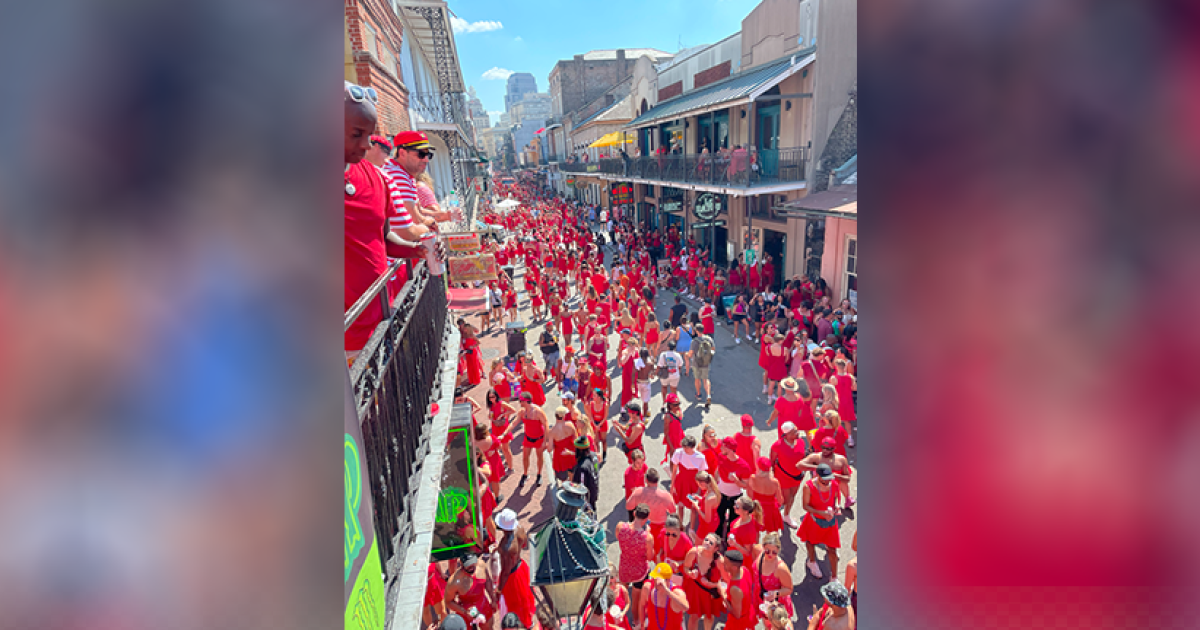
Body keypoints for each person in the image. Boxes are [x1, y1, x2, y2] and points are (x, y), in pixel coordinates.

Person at [494, 509, 539, 629]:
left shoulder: (505, 548)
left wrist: (498, 590)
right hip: (521, 567)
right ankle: (528, 622)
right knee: (525, 599)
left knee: (514, 603)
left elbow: (505, 572)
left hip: (512, 577)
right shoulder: (520, 529)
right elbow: (524, 545)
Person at [797, 464, 842, 580]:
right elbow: (805, 506)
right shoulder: (808, 487)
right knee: (811, 542)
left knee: (832, 549)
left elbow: (836, 497)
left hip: (830, 521)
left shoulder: (834, 484)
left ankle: (834, 577)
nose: (827, 481)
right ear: (817, 476)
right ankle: (811, 561)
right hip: (814, 521)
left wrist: (837, 506)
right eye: (824, 479)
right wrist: (821, 513)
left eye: (829, 478)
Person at [617, 504, 655, 630]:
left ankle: (618, 615)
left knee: (622, 593)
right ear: (646, 518)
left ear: (634, 514)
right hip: (639, 572)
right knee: (636, 599)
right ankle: (636, 621)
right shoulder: (647, 537)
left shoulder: (620, 526)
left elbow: (620, 540)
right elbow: (650, 557)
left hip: (624, 567)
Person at [680, 533, 723, 630]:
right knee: (694, 617)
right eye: (706, 539)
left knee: (709, 616)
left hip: (710, 593)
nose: (707, 543)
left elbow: (726, 581)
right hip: (695, 590)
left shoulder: (720, 561)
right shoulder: (693, 552)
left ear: (716, 549)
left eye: (711, 542)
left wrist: (711, 584)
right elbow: (685, 567)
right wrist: (690, 573)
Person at [770, 422, 809, 528]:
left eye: (797, 430)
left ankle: (786, 515)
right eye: (794, 432)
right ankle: (775, 514)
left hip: (797, 476)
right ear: (786, 434)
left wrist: (804, 471)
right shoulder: (777, 445)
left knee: (792, 496)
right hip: (783, 477)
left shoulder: (801, 441)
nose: (798, 432)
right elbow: (772, 461)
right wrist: (773, 474)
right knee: (785, 499)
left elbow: (803, 457)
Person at [714, 436, 751, 539]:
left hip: (735, 497)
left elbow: (745, 485)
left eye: (722, 446)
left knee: (733, 521)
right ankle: (717, 540)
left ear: (728, 449)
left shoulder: (743, 466)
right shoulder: (721, 456)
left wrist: (736, 481)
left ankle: (729, 541)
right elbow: (717, 471)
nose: (720, 448)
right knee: (718, 519)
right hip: (721, 494)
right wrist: (714, 485)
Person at [444, 553, 494, 628]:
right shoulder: (454, 581)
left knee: (489, 628)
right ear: (461, 563)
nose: (471, 567)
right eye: (468, 565)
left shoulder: (481, 565)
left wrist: (493, 598)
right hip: (465, 612)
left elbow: (488, 581)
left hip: (483, 605)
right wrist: (464, 611)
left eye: (473, 563)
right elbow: (448, 602)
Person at [625, 468, 678, 540]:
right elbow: (673, 511)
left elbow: (629, 506)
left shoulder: (638, 491)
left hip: (643, 525)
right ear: (658, 479)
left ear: (646, 480)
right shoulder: (666, 495)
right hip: (660, 527)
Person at [756, 532, 795, 621]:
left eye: (774, 552)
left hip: (777, 604)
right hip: (763, 598)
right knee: (766, 622)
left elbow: (789, 589)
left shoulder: (781, 568)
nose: (770, 554)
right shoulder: (759, 552)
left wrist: (775, 593)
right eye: (767, 551)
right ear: (763, 547)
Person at [717, 549, 757, 630]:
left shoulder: (735, 589)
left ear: (734, 568)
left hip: (738, 624)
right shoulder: (744, 569)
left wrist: (723, 595)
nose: (723, 564)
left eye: (726, 564)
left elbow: (736, 614)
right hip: (748, 613)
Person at [643, 563, 689, 630]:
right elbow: (642, 605)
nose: (654, 580)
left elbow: (686, 607)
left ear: (667, 580)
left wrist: (667, 591)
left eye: (657, 578)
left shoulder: (677, 592)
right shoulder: (650, 589)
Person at [669, 435, 706, 516]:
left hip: (693, 485)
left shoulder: (701, 458)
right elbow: (674, 471)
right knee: (680, 505)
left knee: (693, 507)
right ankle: (680, 524)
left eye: (687, 448)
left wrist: (699, 490)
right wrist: (672, 486)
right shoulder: (679, 453)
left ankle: (692, 528)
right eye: (684, 447)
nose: (684, 449)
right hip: (681, 483)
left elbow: (701, 475)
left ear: (692, 447)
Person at [516, 392, 548, 487]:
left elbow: (546, 425)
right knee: (525, 457)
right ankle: (525, 474)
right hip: (528, 438)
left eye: (521, 401)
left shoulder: (538, 411)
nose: (519, 403)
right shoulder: (522, 411)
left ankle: (539, 474)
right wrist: (505, 433)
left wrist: (545, 441)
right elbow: (514, 423)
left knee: (539, 457)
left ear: (526, 401)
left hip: (539, 438)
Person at [749, 457, 785, 534]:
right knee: (771, 533)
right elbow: (780, 500)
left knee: (755, 531)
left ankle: (756, 545)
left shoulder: (752, 478)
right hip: (770, 509)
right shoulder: (774, 482)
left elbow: (750, 495)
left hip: (757, 507)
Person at [726, 495, 762, 567]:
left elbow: (748, 552)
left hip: (739, 560)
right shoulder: (744, 518)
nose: (734, 506)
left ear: (745, 511)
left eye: (737, 506)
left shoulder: (748, 530)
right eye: (735, 503)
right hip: (733, 551)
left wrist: (735, 544)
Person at [829, 359, 857, 447]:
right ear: (845, 367)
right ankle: (850, 439)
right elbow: (855, 388)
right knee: (847, 421)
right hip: (848, 401)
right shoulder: (851, 377)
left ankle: (835, 438)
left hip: (837, 401)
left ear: (836, 367)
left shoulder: (834, 378)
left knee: (835, 420)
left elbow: (830, 391)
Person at [548, 406, 579, 485]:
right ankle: (572, 488)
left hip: (560, 456)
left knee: (563, 480)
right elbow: (576, 440)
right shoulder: (570, 425)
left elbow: (549, 449)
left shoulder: (552, 431)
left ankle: (566, 489)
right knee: (572, 475)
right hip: (570, 452)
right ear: (564, 416)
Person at [570, 435, 600, 509]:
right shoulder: (594, 455)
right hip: (594, 491)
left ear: (579, 450)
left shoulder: (582, 468)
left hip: (586, 501)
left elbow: (581, 487)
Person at [690, 325, 716, 408]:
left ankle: (698, 394)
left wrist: (687, 355)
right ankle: (708, 395)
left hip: (696, 363)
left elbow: (690, 353)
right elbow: (713, 349)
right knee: (706, 379)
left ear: (697, 331)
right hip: (706, 362)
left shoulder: (694, 341)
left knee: (697, 379)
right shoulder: (709, 339)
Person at [624, 448, 649, 520]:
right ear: (632, 461)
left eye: (641, 462)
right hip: (633, 500)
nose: (641, 465)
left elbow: (647, 475)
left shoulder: (643, 465)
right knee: (633, 520)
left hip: (641, 497)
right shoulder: (628, 474)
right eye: (638, 463)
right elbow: (634, 491)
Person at [661, 393, 685, 464]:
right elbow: (666, 433)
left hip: (680, 437)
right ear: (670, 405)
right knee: (674, 460)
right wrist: (671, 447)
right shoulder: (667, 417)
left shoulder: (678, 411)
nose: (677, 406)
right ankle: (672, 474)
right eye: (675, 405)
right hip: (673, 440)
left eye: (678, 404)